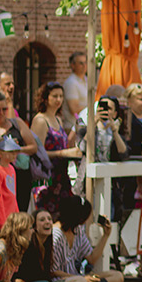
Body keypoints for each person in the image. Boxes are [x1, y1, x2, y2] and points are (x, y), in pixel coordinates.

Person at [51, 195, 127, 282]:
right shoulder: (56, 235)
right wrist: (80, 278)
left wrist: (106, 235)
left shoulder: (77, 230)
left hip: (79, 278)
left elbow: (91, 258)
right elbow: (53, 272)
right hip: (64, 281)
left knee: (117, 276)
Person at [30, 81, 81, 209]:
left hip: (62, 175)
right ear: (45, 98)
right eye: (54, 96)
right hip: (47, 178)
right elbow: (37, 152)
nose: (58, 100)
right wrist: (63, 153)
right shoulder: (40, 120)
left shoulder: (58, 119)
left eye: (61, 96)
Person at [0, 89, 36, 211]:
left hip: (21, 176)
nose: (2, 113)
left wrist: (15, 149)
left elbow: (33, 147)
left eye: (5, 109)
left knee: (21, 212)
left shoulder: (17, 123)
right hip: (0, 179)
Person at [63, 51, 89, 118]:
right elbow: (74, 109)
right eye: (81, 63)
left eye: (85, 62)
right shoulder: (71, 83)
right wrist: (92, 107)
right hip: (73, 126)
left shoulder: (87, 80)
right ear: (73, 65)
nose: (84, 65)